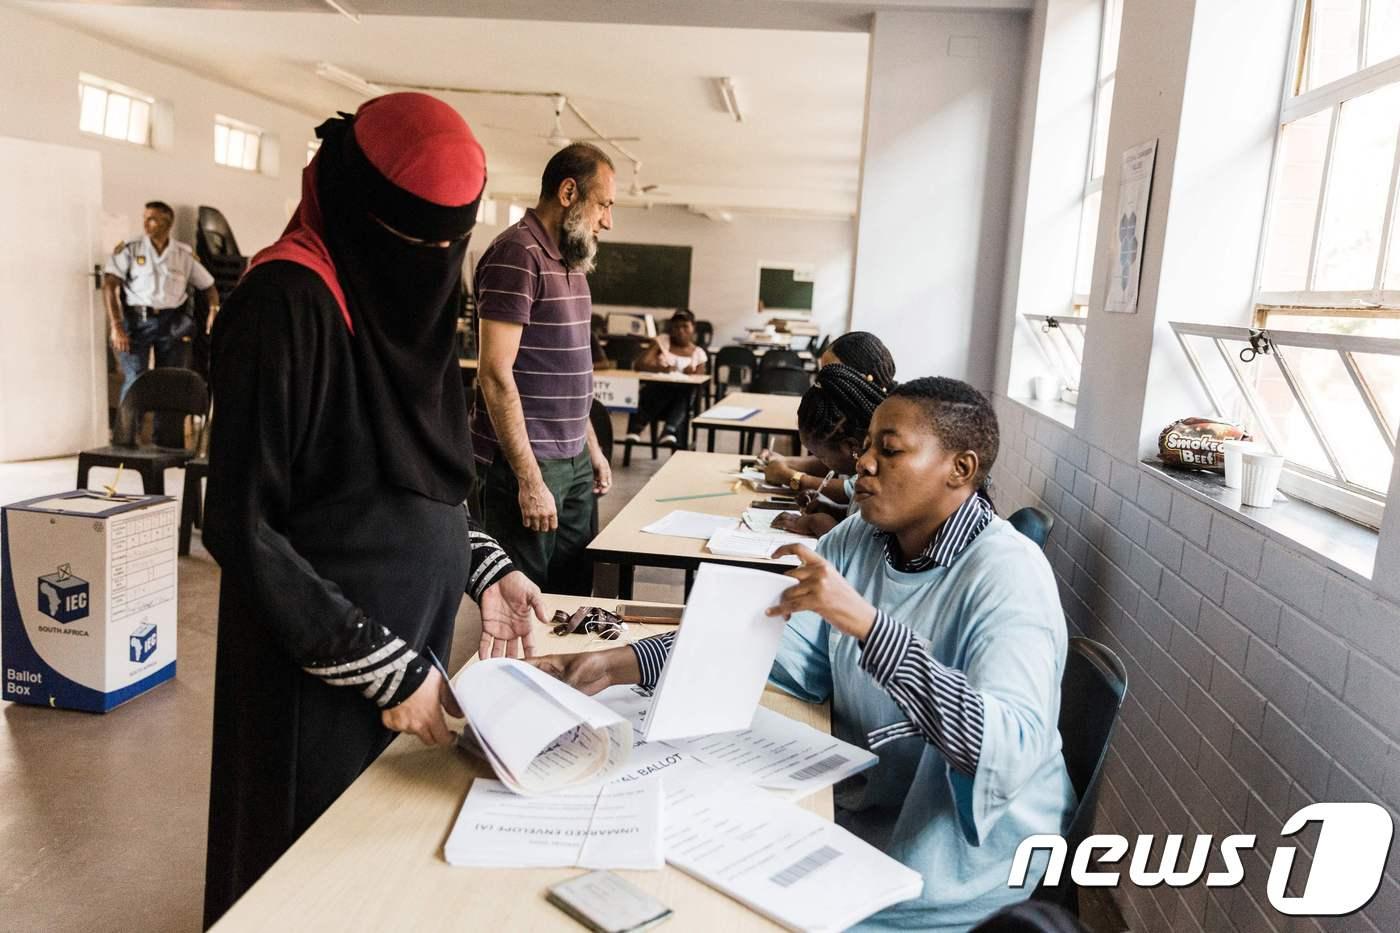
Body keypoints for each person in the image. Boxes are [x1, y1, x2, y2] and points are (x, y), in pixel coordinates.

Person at [532, 377, 1075, 931]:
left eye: (888, 451)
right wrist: (618, 662)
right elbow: (768, 642)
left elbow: (1004, 749)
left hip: (957, 864)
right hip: (871, 807)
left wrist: (866, 625)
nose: (863, 463)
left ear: (960, 469)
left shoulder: (1008, 573)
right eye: (866, 446)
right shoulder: (857, 541)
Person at [200, 94, 545, 927]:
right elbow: (242, 525)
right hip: (316, 662)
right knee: (303, 877)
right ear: (360, 208)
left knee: (375, 876)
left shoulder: (404, 298)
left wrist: (483, 565)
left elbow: (402, 475)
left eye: (447, 244)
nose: (433, 259)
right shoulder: (284, 305)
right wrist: (380, 666)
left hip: (410, 656)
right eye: (417, 240)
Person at [471, 143, 616, 596]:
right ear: (569, 192)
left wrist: (589, 446)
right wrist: (529, 480)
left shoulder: (572, 261)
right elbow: (494, 374)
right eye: (604, 205)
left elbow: (573, 371)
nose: (607, 221)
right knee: (526, 602)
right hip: (529, 461)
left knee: (571, 593)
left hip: (571, 459)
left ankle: (557, 672)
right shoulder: (518, 254)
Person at [103, 200, 221, 442]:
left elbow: (208, 286)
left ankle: (168, 441)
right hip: (137, 321)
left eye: (153, 219)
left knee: (172, 379)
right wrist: (116, 326)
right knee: (136, 376)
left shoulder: (183, 254)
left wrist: (213, 310)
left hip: (172, 322)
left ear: (168, 222)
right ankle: (125, 439)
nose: (146, 224)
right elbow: (109, 285)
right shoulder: (131, 249)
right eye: (145, 218)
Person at [764, 330, 896, 487]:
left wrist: (793, 477)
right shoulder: (856, 416)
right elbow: (837, 460)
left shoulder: (891, 430)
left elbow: (853, 489)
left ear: (861, 379)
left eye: (834, 371)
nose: (825, 378)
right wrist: (786, 461)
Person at [769, 363, 885, 538]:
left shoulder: (881, 480)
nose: (821, 463)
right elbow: (858, 518)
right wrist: (833, 510)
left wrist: (819, 524)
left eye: (821, 457)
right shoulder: (865, 469)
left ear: (851, 448)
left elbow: (865, 546)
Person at [625, 308, 709, 448]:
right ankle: (662, 430)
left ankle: (661, 429)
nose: (680, 331)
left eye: (685, 326)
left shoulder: (698, 354)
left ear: (693, 328)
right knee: (661, 387)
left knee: (686, 391)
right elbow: (640, 365)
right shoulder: (662, 342)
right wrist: (661, 369)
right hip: (655, 397)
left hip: (680, 405)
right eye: (676, 327)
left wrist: (691, 374)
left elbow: (698, 382)